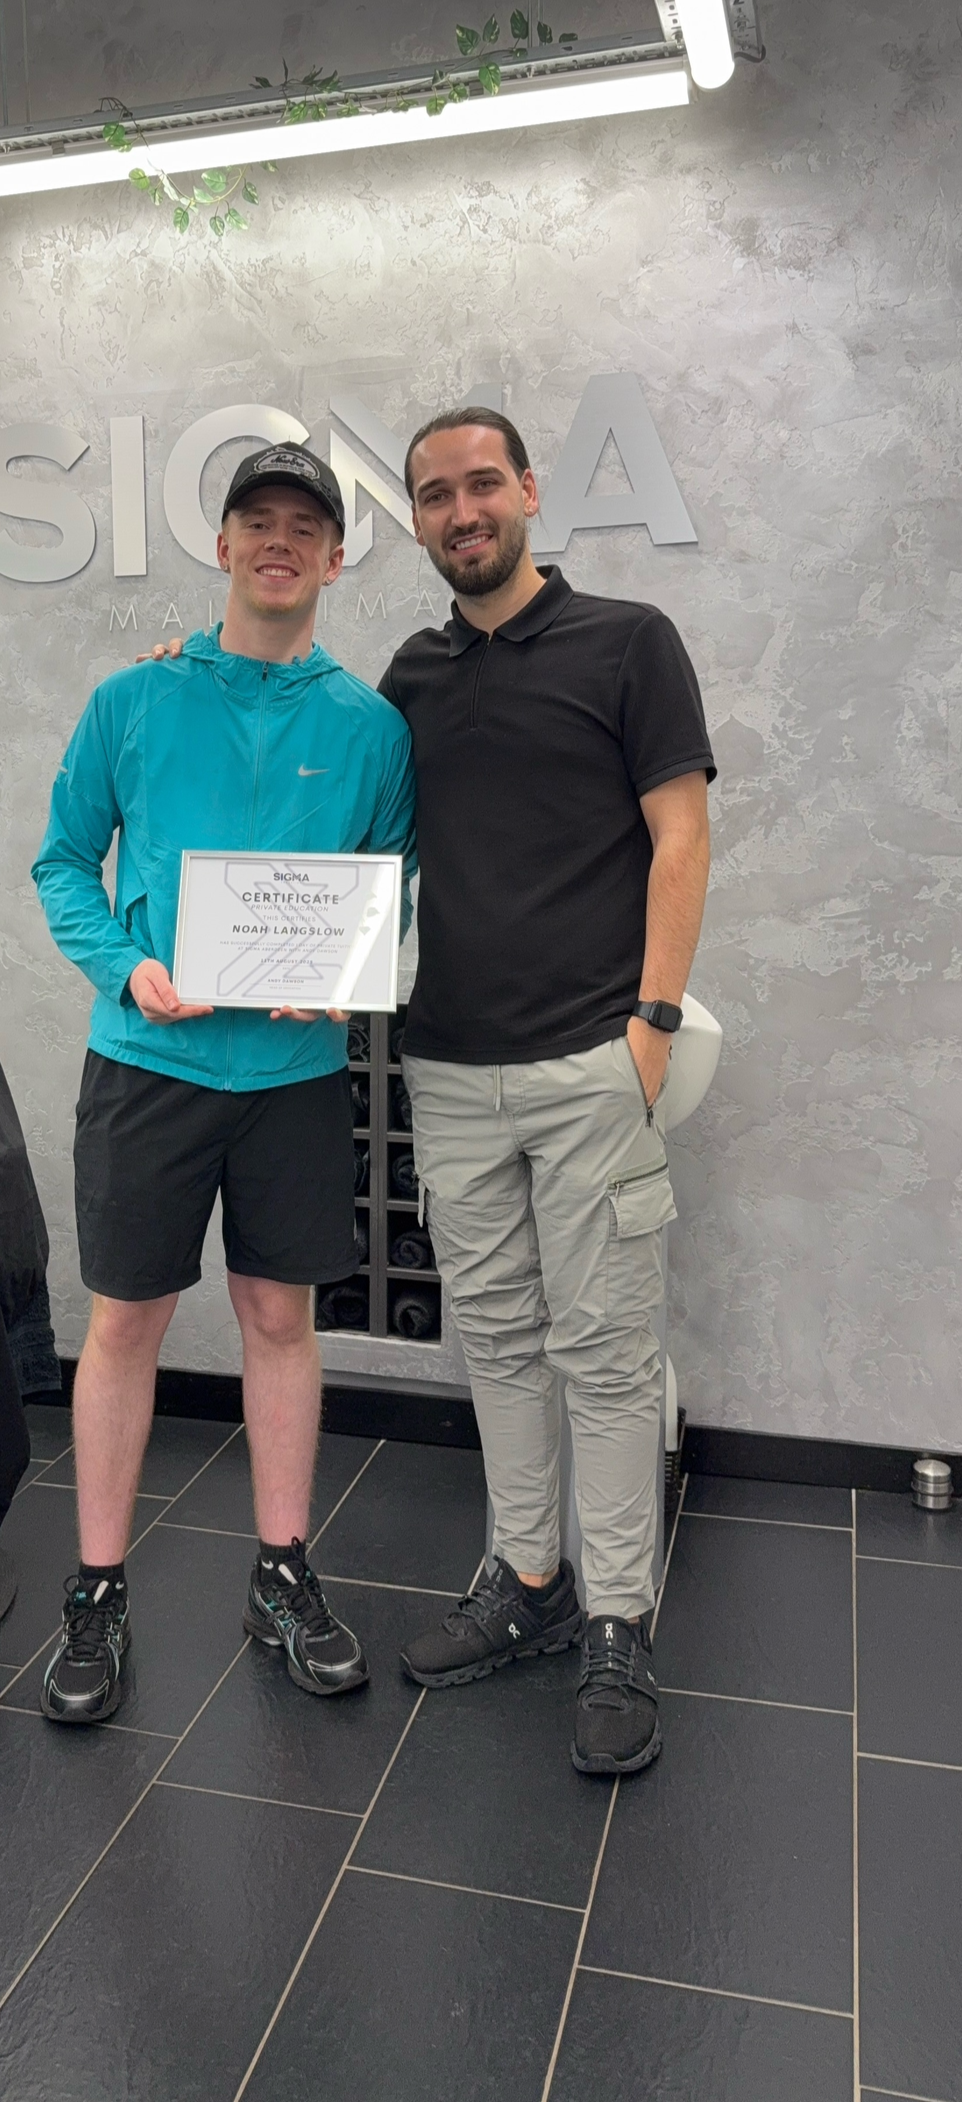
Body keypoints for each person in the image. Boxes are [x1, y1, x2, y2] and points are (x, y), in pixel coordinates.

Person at [32, 442, 416, 1723]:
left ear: (336, 559)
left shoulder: (369, 728)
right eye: (259, 520)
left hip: (294, 1076)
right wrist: (126, 967)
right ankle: (96, 1591)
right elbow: (62, 863)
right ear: (224, 544)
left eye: (305, 526)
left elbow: (395, 882)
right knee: (124, 1324)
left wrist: (350, 967)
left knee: (279, 1319)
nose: (280, 543)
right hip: (147, 1064)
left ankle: (282, 1575)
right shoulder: (132, 701)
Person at [381, 407, 714, 1777]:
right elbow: (349, 844)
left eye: (482, 484)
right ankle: (530, 1579)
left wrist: (651, 1025)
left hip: (591, 1061)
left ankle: (619, 1618)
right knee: (501, 1342)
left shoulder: (629, 642)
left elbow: (681, 834)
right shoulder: (408, 677)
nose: (462, 511)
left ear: (526, 490)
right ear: (416, 519)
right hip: (449, 1067)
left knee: (609, 1350)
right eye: (434, 495)